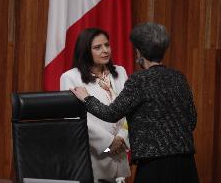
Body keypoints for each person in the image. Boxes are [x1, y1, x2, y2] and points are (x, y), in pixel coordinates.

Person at [70, 22, 199, 183]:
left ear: (139, 52)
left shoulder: (140, 79)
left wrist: (87, 98)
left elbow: (111, 113)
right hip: (186, 162)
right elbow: (192, 120)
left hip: (154, 165)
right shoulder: (178, 77)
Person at [60, 28, 131, 183]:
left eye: (107, 45)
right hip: (93, 155)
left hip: (119, 151)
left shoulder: (120, 72)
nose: (105, 50)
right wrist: (108, 141)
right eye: (98, 47)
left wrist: (121, 137)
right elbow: (74, 119)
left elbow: (130, 110)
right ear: (85, 51)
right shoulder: (70, 77)